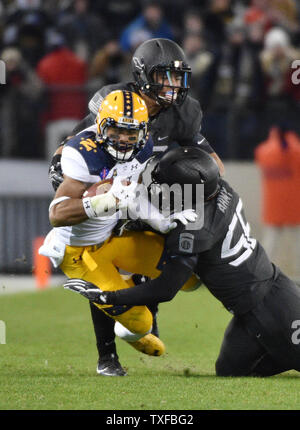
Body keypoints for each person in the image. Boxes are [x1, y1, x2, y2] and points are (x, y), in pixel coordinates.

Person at [48, 37, 225, 377]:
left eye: (178, 78)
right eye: (165, 77)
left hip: (143, 189)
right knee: (98, 258)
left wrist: (197, 181)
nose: (173, 86)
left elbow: (212, 163)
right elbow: (79, 145)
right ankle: (107, 355)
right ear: (144, 75)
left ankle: (144, 316)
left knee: (179, 266)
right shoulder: (115, 103)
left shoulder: (180, 114)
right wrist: (95, 192)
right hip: (103, 183)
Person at [65, 146, 300, 376]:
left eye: (168, 186)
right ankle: (279, 350)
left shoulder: (194, 229)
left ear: (189, 190)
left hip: (274, 307)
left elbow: (166, 288)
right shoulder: (220, 189)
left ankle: (283, 349)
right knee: (230, 371)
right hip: (250, 303)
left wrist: (111, 297)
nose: (161, 190)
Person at [40, 89, 198, 376]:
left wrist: (162, 220)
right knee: (141, 324)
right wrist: (105, 202)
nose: (124, 139)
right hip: (80, 252)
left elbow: (132, 193)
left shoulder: (144, 145)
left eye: (131, 133)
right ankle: (119, 334)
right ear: (101, 126)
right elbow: (57, 213)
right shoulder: (83, 152)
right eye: (115, 130)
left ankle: (128, 285)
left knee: (189, 276)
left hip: (112, 237)